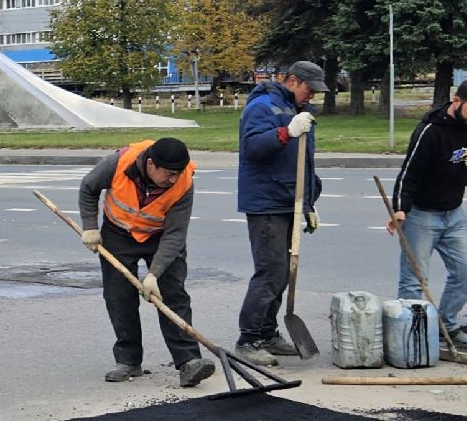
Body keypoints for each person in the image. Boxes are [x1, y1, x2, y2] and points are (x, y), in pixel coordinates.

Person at [77, 138, 215, 387]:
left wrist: (153, 274)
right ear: (151, 164)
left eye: (178, 174)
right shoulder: (118, 163)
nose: (173, 179)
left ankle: (188, 362)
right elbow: (88, 187)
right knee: (119, 297)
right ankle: (129, 361)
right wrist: (89, 227)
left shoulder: (183, 182)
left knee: (173, 295)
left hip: (161, 235)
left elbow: (175, 234)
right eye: (169, 174)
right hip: (118, 232)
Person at [233, 61, 326, 366]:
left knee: (284, 271)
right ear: (292, 81)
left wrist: (309, 203)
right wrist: (286, 132)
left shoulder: (295, 111)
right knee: (271, 271)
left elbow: (302, 163)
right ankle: (248, 340)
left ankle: (268, 333)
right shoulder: (262, 106)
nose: (311, 96)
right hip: (266, 202)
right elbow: (253, 148)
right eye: (308, 89)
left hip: (289, 200)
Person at [389, 78, 467, 347]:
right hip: (421, 215)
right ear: (456, 101)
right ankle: (411, 338)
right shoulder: (430, 131)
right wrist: (400, 209)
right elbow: (408, 173)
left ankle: (446, 326)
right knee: (414, 281)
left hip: (453, 214)